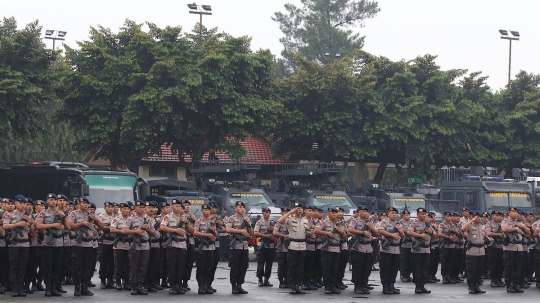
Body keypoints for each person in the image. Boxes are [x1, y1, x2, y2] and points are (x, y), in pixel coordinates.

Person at [68, 197, 104, 296]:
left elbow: (102, 226)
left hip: (89, 244)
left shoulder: (91, 215)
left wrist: (95, 219)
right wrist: (82, 223)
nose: (85, 205)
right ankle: (77, 287)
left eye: (86, 203)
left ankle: (84, 287)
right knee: (77, 266)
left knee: (87, 266)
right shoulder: (74, 214)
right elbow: (70, 226)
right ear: (78, 204)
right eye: (82, 203)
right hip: (78, 244)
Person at [35, 193, 67, 296]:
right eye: (51, 200)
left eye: (55, 200)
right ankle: (48, 287)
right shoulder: (43, 213)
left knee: (57, 266)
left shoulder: (60, 212)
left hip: (59, 243)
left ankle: (54, 287)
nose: (53, 201)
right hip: (48, 242)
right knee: (47, 266)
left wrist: (64, 216)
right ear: (47, 201)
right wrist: (53, 225)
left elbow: (69, 227)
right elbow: (38, 226)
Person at [122, 200, 156, 295]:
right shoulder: (131, 219)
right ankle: (133, 286)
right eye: (139, 207)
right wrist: (135, 232)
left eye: (142, 207)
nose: (141, 209)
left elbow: (154, 234)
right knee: (133, 266)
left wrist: (148, 229)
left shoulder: (148, 220)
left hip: (145, 246)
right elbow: (124, 231)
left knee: (143, 266)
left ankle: (140, 285)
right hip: (135, 246)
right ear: (135, 208)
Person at [3, 195, 32, 297]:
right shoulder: (10, 214)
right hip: (14, 244)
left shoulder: (27, 215)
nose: (22, 205)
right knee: (14, 267)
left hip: (25, 244)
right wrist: (18, 224)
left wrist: (30, 221)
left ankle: (20, 288)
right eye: (20, 203)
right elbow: (5, 226)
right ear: (15, 203)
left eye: (24, 203)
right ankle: (14, 289)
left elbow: (32, 229)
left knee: (22, 267)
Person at [160, 199, 190, 295]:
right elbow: (162, 227)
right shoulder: (167, 217)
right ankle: (172, 285)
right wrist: (175, 230)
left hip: (182, 245)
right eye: (176, 206)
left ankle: (179, 284)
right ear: (172, 207)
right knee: (172, 265)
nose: (178, 208)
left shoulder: (184, 217)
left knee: (181, 265)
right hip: (172, 244)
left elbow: (191, 230)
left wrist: (187, 222)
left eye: (179, 206)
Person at [277, 202, 307, 295]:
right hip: (293, 244)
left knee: (300, 267)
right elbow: (280, 221)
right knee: (292, 266)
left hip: (302, 245)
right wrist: (290, 212)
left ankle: (298, 285)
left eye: (301, 208)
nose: (300, 210)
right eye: (298, 208)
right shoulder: (290, 219)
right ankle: (292, 286)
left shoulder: (305, 220)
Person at [314, 207, 345, 295]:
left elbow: (345, 236)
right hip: (327, 248)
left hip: (337, 248)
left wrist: (341, 232)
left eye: (335, 213)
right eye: (332, 213)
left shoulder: (339, 223)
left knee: (335, 268)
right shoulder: (325, 222)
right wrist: (327, 233)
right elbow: (316, 230)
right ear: (328, 214)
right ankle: (327, 286)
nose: (334, 214)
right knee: (327, 268)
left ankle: (333, 286)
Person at [225, 201, 253, 294]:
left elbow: (251, 233)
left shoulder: (246, 219)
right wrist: (240, 231)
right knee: (235, 266)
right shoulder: (232, 218)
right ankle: (234, 285)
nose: (241, 209)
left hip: (244, 246)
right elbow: (228, 229)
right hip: (236, 245)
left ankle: (240, 285)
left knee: (243, 266)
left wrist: (248, 224)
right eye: (239, 207)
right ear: (235, 208)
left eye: (242, 207)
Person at [349, 205, 377, 295]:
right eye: (362, 211)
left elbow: (377, 234)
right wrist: (362, 232)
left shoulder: (369, 222)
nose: (365, 213)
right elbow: (350, 229)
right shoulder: (355, 221)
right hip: (358, 247)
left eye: (366, 212)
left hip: (368, 248)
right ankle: (357, 286)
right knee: (358, 267)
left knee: (367, 268)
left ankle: (363, 284)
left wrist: (371, 227)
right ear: (359, 212)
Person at [376, 206, 404, 295]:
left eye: (395, 213)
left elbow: (403, 237)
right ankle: (385, 286)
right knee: (385, 268)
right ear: (388, 214)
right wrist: (392, 235)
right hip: (386, 249)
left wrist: (400, 231)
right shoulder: (384, 222)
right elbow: (380, 231)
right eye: (392, 213)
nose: (394, 215)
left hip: (396, 249)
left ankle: (391, 285)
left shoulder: (398, 224)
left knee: (394, 268)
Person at [406, 207, 434, 294]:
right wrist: (421, 236)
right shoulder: (414, 223)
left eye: (425, 214)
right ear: (418, 215)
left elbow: (436, 235)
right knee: (417, 268)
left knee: (425, 268)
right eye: (422, 214)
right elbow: (409, 232)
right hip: (417, 250)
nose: (424, 215)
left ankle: (422, 285)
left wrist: (431, 232)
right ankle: (417, 286)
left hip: (427, 249)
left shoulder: (428, 224)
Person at [502, 206, 528, 293]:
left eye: (516, 212)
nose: (516, 213)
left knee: (518, 267)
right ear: (509, 212)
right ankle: (509, 285)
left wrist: (522, 227)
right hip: (509, 247)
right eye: (513, 212)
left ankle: (516, 284)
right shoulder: (506, 221)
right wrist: (515, 228)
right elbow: (504, 228)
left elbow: (528, 232)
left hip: (519, 247)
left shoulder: (519, 222)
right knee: (509, 267)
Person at [462, 210, 489, 294]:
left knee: (479, 270)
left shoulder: (482, 227)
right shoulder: (470, 226)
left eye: (480, 217)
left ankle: (477, 286)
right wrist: (471, 220)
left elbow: (485, 237)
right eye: (477, 217)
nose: (479, 218)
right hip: (472, 251)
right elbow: (463, 228)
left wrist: (488, 239)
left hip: (481, 251)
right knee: (471, 270)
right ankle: (471, 287)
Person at [193, 203, 217, 294]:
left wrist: (214, 232)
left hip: (210, 247)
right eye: (205, 210)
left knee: (209, 267)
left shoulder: (212, 223)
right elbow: (195, 232)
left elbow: (215, 237)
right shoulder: (198, 221)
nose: (207, 212)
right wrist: (206, 235)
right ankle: (201, 286)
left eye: (208, 210)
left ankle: (207, 285)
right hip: (201, 247)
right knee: (201, 268)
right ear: (202, 211)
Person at [110, 202, 131, 291]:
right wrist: (122, 231)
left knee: (127, 264)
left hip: (129, 244)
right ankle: (118, 281)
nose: (126, 210)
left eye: (127, 209)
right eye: (124, 209)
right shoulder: (117, 219)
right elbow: (112, 229)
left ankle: (126, 282)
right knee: (118, 264)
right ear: (121, 210)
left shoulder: (131, 219)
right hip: (119, 245)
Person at [253, 206, 275, 288]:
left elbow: (276, 234)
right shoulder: (259, 222)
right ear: (262, 213)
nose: (267, 214)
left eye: (269, 213)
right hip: (262, 245)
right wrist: (265, 236)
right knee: (260, 263)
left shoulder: (272, 223)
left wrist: (273, 230)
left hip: (270, 246)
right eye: (266, 213)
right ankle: (260, 279)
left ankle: (266, 279)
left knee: (269, 264)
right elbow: (255, 232)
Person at [27, 199, 46, 292]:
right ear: (35, 207)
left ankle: (39, 282)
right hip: (34, 244)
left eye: (43, 205)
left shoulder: (47, 217)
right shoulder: (32, 217)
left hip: (45, 243)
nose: (41, 207)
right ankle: (33, 283)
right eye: (39, 205)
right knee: (33, 265)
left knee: (43, 265)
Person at [98, 201, 116, 289]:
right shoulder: (101, 216)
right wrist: (108, 227)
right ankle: (102, 280)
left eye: (112, 207)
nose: (110, 208)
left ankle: (110, 280)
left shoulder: (115, 217)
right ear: (105, 208)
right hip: (104, 242)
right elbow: (97, 226)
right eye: (108, 207)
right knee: (103, 261)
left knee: (112, 262)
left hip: (113, 242)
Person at [144, 201, 162, 292]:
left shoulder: (155, 219)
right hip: (148, 243)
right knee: (146, 265)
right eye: (149, 207)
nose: (152, 209)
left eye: (153, 207)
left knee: (154, 265)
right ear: (145, 209)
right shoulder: (144, 219)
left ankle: (152, 282)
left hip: (156, 244)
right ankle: (145, 283)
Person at [438, 211, 459, 284]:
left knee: (451, 262)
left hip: (452, 246)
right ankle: (444, 277)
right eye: (447, 216)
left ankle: (449, 276)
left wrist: (455, 232)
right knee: (444, 262)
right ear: (444, 217)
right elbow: (439, 233)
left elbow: (459, 234)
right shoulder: (442, 224)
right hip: (445, 245)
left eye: (450, 216)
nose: (449, 218)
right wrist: (448, 237)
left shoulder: (452, 225)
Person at [486, 210, 505, 287]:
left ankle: (499, 279)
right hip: (493, 246)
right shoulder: (489, 223)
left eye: (499, 215)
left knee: (501, 264)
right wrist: (498, 234)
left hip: (502, 246)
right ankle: (493, 280)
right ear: (492, 216)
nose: (498, 217)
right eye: (496, 215)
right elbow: (488, 233)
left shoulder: (503, 224)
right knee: (493, 264)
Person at [273, 207, 290, 289]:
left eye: (287, 212)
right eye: (284, 212)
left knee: (289, 265)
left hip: (290, 247)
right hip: (282, 247)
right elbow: (275, 232)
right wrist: (284, 236)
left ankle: (287, 280)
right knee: (281, 265)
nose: (285, 213)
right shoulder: (279, 223)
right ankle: (281, 281)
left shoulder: (291, 222)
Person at [301, 205, 317, 290]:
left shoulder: (313, 221)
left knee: (311, 265)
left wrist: (312, 232)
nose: (311, 212)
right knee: (304, 264)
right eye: (309, 211)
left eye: (312, 211)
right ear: (305, 211)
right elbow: (304, 232)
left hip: (312, 245)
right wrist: (311, 232)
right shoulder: (303, 220)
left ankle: (309, 281)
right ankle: (303, 282)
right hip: (304, 245)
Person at [399, 209, 413, 282]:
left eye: (408, 215)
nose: (408, 216)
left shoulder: (412, 223)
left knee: (410, 260)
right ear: (403, 216)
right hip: (404, 244)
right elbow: (401, 229)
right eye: (406, 215)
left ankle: (408, 275)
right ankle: (403, 274)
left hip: (411, 244)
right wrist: (408, 231)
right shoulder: (400, 223)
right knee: (404, 260)